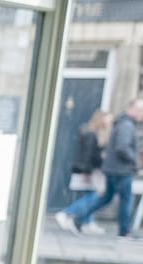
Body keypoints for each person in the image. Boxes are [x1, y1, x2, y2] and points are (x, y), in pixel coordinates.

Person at [56, 97, 143, 239]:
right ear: (131, 109)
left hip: (112, 169)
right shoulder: (126, 125)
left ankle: (77, 219)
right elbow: (122, 147)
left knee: (105, 197)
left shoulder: (121, 123)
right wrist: (134, 161)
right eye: (140, 110)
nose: (142, 114)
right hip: (120, 170)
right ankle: (124, 231)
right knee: (124, 199)